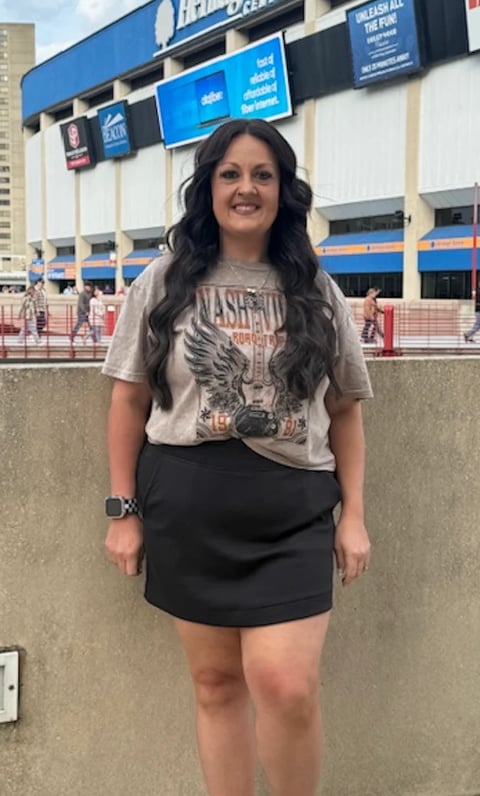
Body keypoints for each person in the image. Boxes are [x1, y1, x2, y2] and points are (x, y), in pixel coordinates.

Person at [102, 118, 372, 796]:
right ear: (208, 189)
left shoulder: (317, 289)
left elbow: (344, 411)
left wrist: (355, 517)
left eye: (262, 175)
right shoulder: (162, 282)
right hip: (187, 508)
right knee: (216, 685)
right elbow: (128, 403)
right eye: (230, 174)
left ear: (284, 191)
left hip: (294, 511)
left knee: (286, 686)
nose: (246, 188)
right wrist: (122, 510)